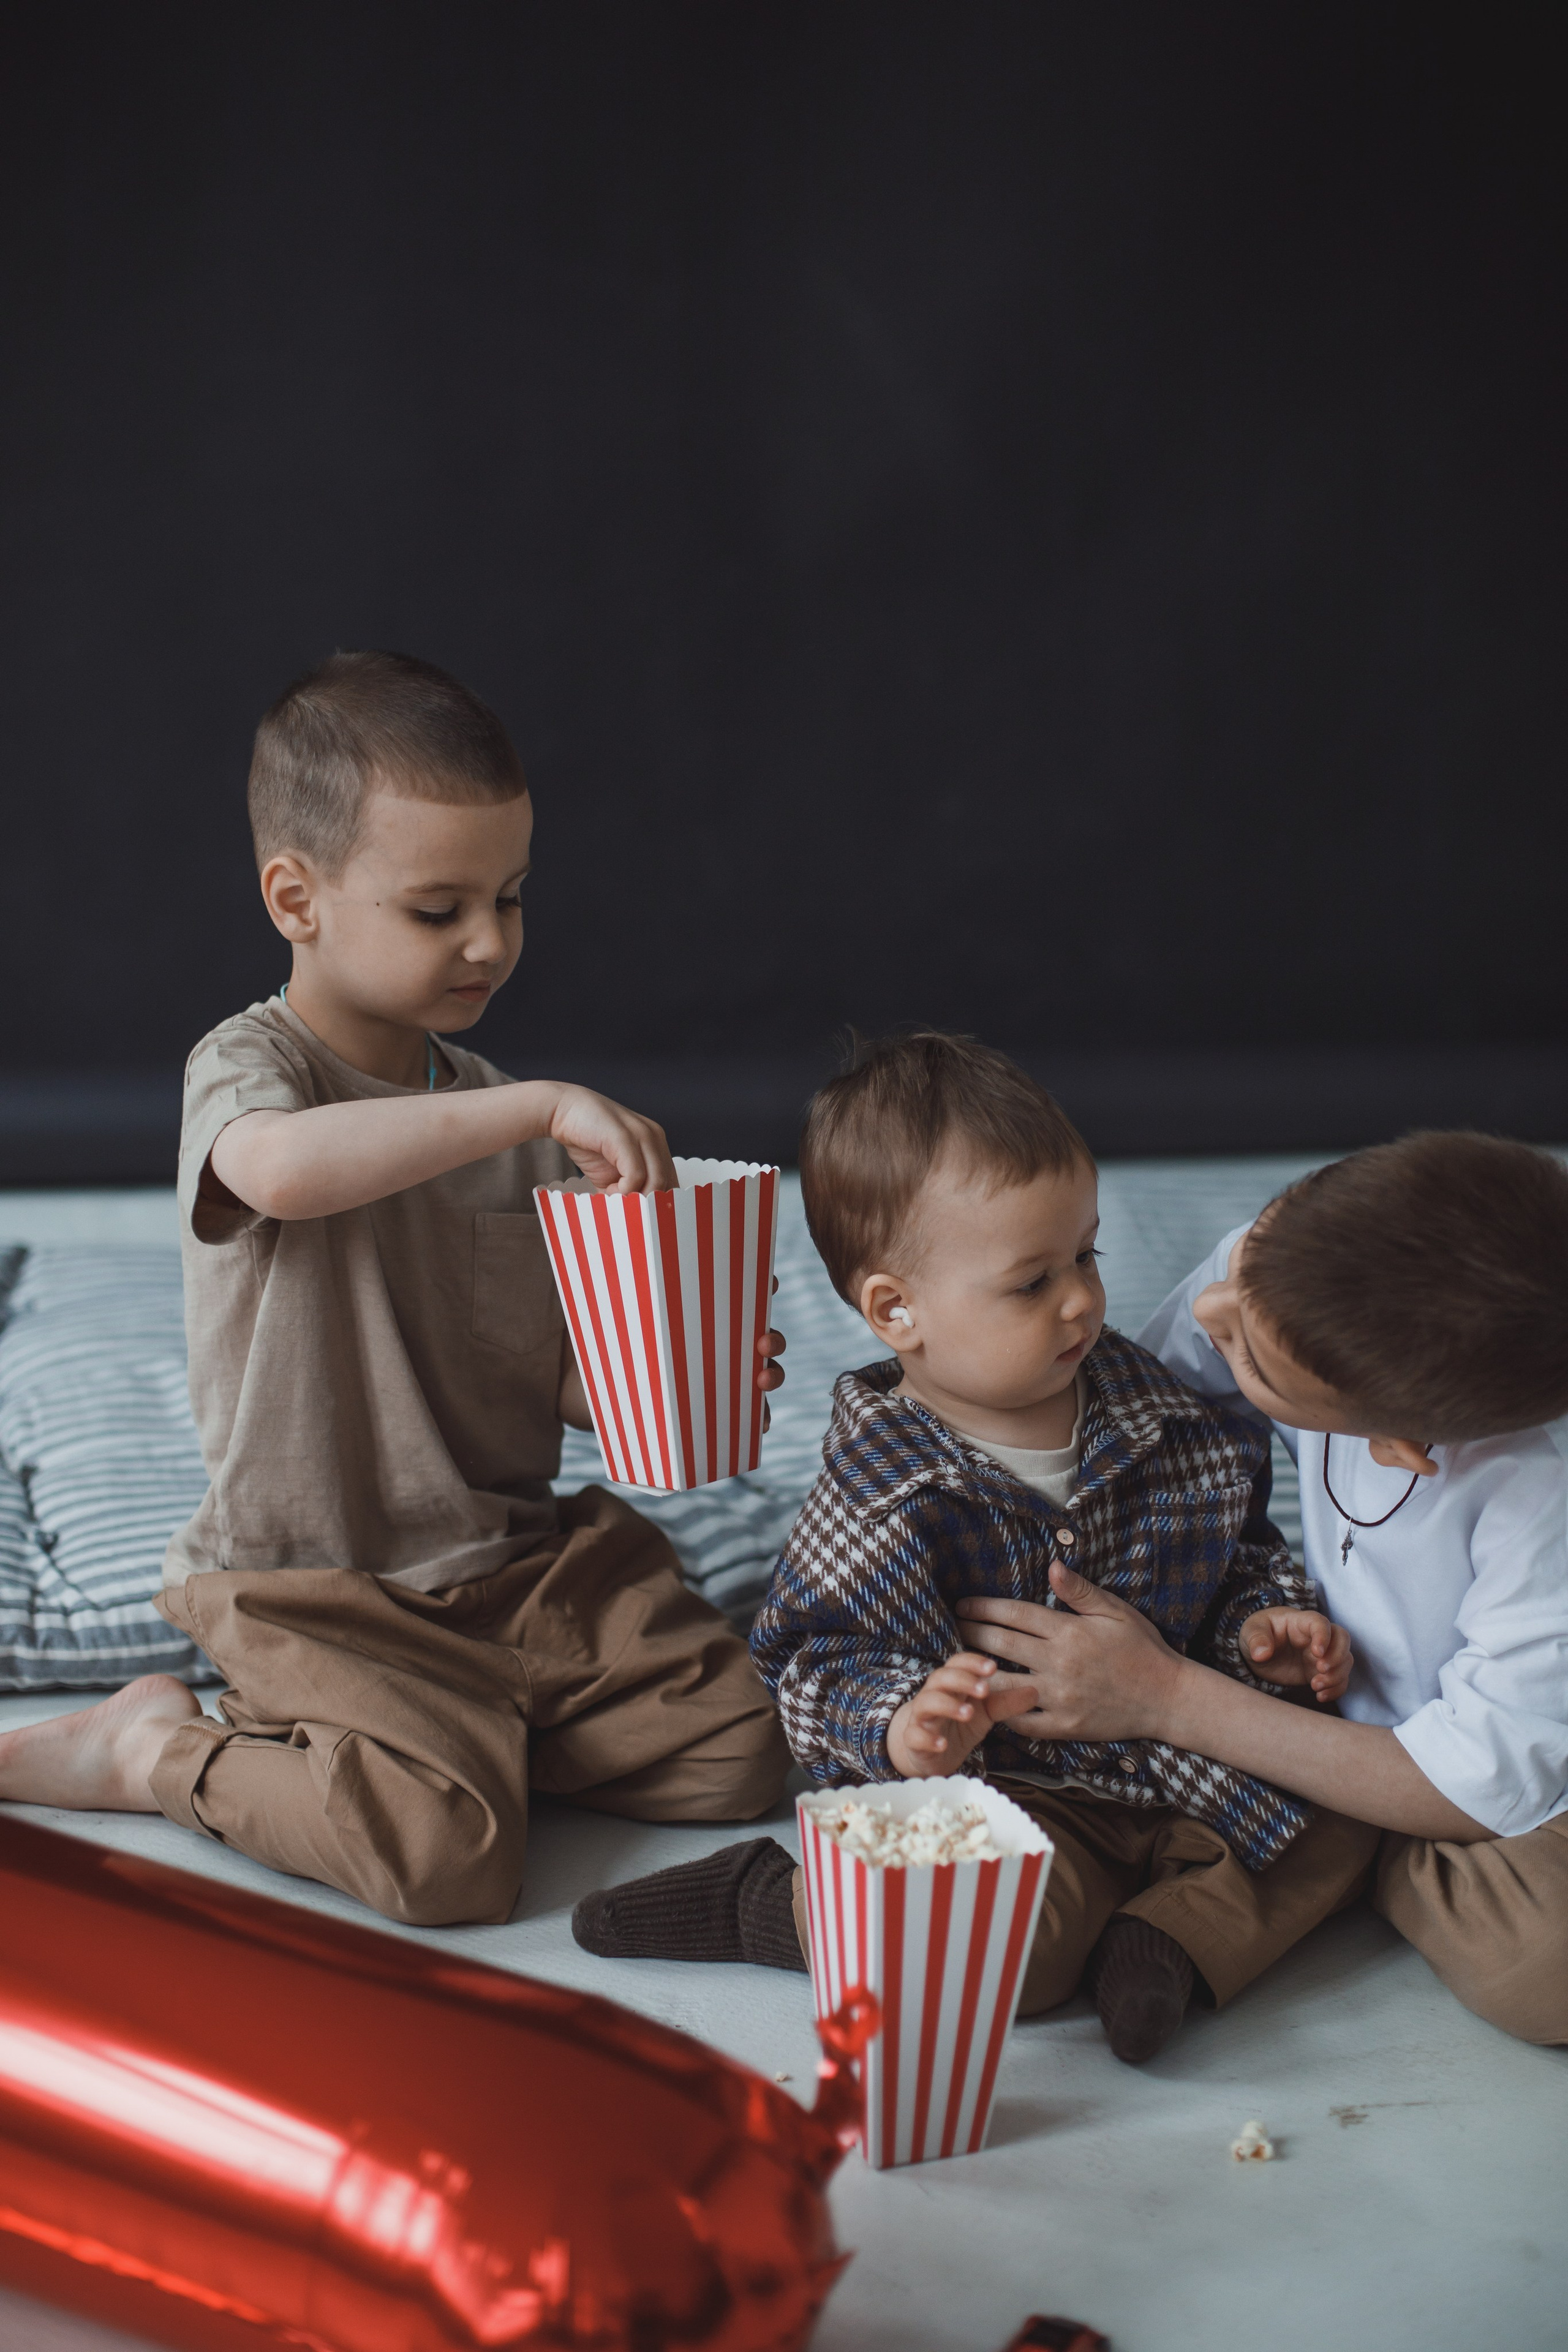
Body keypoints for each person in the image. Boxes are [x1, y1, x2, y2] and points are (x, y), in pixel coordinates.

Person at [0, 649, 791, 1923]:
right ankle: (153, 1753)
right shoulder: (252, 1069)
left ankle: (447, 1742)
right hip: (320, 1581)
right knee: (448, 1867)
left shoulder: (493, 1113)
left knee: (738, 1749)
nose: (489, 941)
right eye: (438, 910)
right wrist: (531, 1108)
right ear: (295, 898)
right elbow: (281, 1174)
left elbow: (529, 1366)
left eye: (512, 898)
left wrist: (654, 1377)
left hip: (510, 1563)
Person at [571, 1034, 1377, 2063]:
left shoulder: (1161, 1414)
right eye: (1032, 1282)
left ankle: (1163, 1938)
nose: (1083, 1299)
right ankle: (777, 1905)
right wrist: (906, 1724)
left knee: (1348, 1827)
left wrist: (1265, 1624)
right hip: (1018, 1795)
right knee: (1005, 1958)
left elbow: (1235, 1551)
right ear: (896, 1311)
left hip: (1181, 1755)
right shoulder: (883, 1492)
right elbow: (811, 1658)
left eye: (1086, 1255)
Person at [957, 1132, 1568, 2046]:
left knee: (1543, 1967)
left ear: (1399, 1447)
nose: (1211, 1307)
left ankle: (1350, 1833)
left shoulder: (1538, 1498)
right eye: (1251, 1253)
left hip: (1502, 1752)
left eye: (1255, 1363)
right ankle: (1337, 1816)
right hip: (1345, 1708)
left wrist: (1166, 1697)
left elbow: (1485, 1784)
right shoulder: (1281, 1274)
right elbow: (1142, 1399)